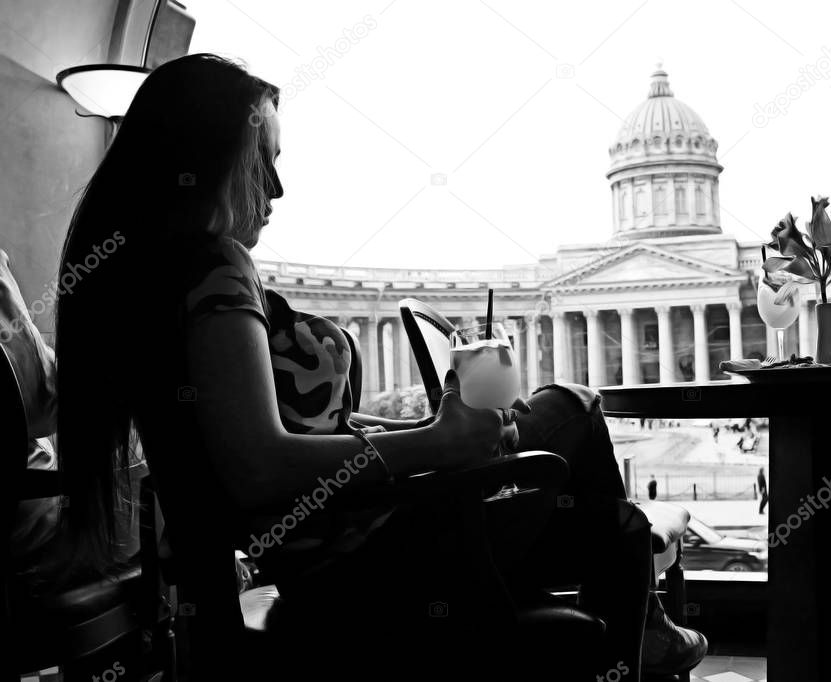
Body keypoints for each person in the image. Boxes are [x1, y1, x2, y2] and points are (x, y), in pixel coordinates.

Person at [53, 54, 705, 680]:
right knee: (572, 407)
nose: (278, 186)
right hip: (370, 556)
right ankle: (636, 625)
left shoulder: (150, 278)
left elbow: (275, 434)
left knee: (604, 520)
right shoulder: (214, 267)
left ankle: (635, 618)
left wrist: (420, 435)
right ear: (209, 158)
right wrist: (436, 441)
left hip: (341, 553)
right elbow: (257, 467)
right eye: (263, 160)